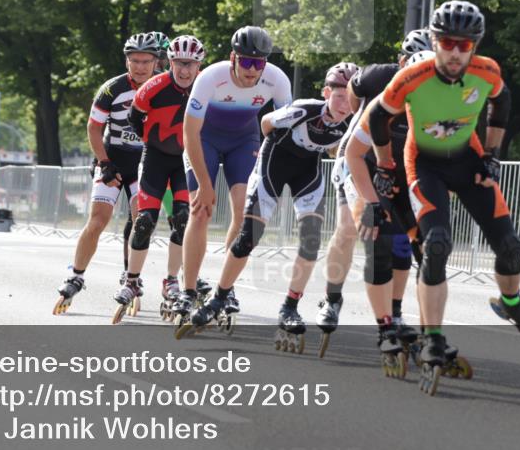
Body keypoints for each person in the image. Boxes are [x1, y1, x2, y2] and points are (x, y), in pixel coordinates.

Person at [366, 0, 520, 395]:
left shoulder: (487, 72)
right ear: (435, 41)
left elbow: (502, 102)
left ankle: (511, 303)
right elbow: (377, 117)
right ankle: (433, 337)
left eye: (465, 45)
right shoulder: (411, 77)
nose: (455, 52)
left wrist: (492, 154)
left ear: (475, 46)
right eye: (448, 43)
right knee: (436, 244)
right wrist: (385, 167)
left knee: (510, 246)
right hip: (425, 164)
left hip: (468, 160)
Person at [184, 63, 356, 349]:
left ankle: (290, 307)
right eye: (339, 97)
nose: (345, 105)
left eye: (350, 99)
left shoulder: (353, 122)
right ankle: (218, 298)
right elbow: (266, 124)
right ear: (326, 93)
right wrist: (277, 140)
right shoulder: (304, 109)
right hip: (273, 165)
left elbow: (340, 148)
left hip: (307, 173)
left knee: (311, 240)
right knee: (248, 237)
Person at [317, 31, 432, 358]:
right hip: (360, 157)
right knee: (351, 228)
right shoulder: (378, 77)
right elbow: (355, 100)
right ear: (401, 63)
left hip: (397, 166)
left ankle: (394, 314)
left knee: (403, 242)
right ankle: (332, 299)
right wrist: (360, 119)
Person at [173, 26, 292, 330]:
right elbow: (190, 133)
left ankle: (225, 287)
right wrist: (204, 184)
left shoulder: (277, 79)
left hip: (244, 140)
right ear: (233, 58)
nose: (252, 70)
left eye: (258, 63)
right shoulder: (210, 78)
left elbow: (285, 132)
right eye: (246, 62)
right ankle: (188, 290)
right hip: (205, 139)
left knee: (243, 212)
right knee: (200, 211)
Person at [53, 32, 161, 315]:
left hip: (145, 161)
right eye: (135, 61)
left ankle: (131, 277)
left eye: (146, 61)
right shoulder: (112, 89)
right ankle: (75, 276)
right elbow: (93, 127)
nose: (140, 67)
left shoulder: (164, 87)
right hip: (113, 158)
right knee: (98, 220)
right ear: (127, 62)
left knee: (142, 220)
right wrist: (104, 162)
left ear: (156, 62)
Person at [111, 36, 206, 323]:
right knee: (144, 221)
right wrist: (150, 141)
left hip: (185, 160)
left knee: (182, 219)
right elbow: (134, 118)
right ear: (170, 63)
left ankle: (171, 280)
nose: (184, 70)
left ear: (199, 66)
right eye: (179, 63)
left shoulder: (206, 88)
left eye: (190, 64)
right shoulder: (154, 86)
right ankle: (132, 280)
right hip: (155, 157)